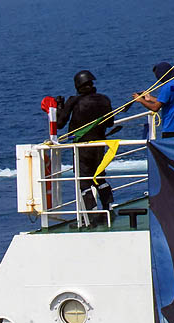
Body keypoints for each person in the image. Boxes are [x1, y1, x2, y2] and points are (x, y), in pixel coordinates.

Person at [55, 70, 115, 224]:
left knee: (84, 181)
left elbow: (60, 123)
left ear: (77, 85)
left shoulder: (74, 101)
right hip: (100, 145)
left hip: (81, 147)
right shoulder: (104, 99)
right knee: (100, 178)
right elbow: (110, 123)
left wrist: (60, 106)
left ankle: (92, 214)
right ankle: (109, 208)